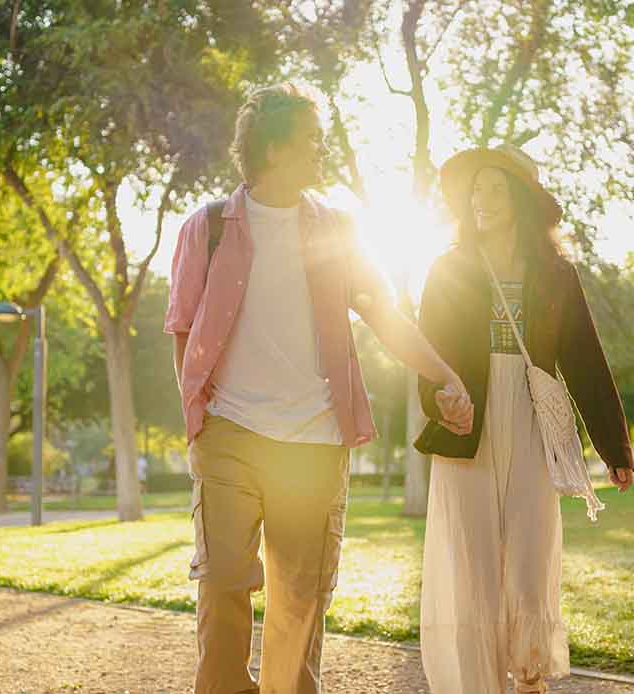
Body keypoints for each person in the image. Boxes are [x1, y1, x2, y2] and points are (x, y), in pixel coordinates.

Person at [164, 83, 474, 694]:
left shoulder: (338, 229)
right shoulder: (208, 228)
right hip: (230, 433)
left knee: (299, 602)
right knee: (224, 580)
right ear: (274, 147)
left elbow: (385, 313)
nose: (321, 150)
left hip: (314, 440)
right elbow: (181, 328)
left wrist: (443, 373)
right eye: (312, 138)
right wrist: (197, 414)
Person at [413, 144, 634, 694]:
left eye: (496, 188)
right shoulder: (448, 268)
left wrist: (615, 449)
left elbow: (585, 360)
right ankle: (479, 684)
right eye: (476, 189)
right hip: (469, 427)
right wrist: (439, 399)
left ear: (521, 197)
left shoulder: (555, 275)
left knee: (531, 561)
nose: (482, 199)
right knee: (475, 570)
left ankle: (531, 678)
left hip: (532, 420)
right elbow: (426, 353)